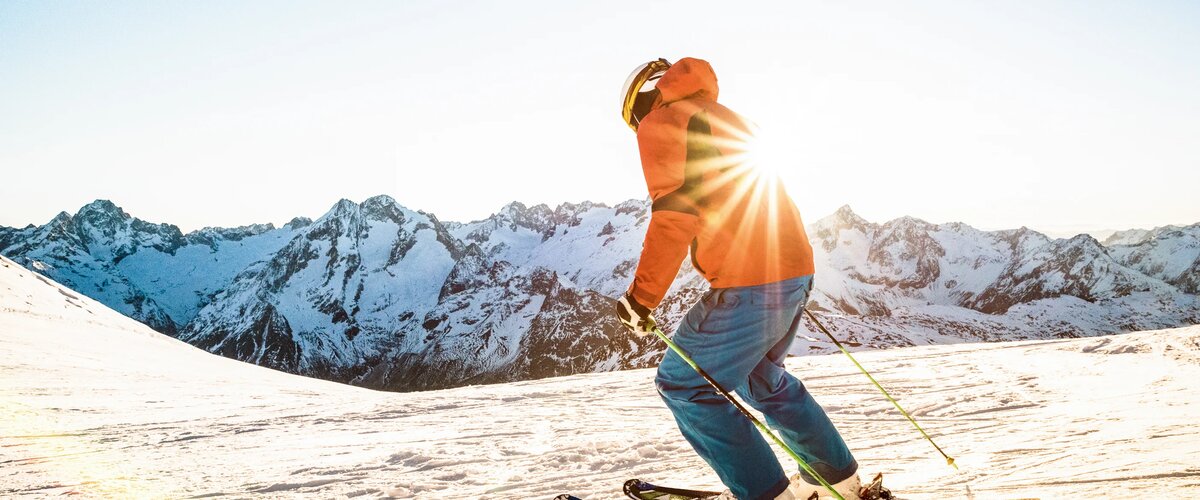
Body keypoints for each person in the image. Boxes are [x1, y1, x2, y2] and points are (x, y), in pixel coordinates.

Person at [614, 57, 862, 500]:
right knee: (762, 379)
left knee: (682, 383)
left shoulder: (663, 121)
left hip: (751, 279)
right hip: (791, 269)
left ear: (641, 101)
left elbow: (674, 214)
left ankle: (763, 493)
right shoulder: (728, 119)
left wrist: (641, 298)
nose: (637, 129)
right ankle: (837, 479)